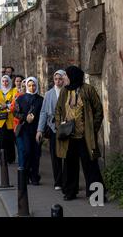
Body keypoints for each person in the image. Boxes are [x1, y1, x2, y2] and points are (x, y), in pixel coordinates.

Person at [55, 65, 105, 201]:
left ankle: (96, 195)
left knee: (90, 166)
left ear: (73, 76)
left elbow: (98, 110)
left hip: (85, 137)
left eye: (66, 75)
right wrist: (60, 125)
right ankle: (70, 192)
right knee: (70, 166)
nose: (64, 78)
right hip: (69, 136)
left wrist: (92, 129)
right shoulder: (64, 92)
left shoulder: (88, 90)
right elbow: (58, 110)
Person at [36, 70, 66, 191]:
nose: (58, 81)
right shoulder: (49, 94)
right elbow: (43, 112)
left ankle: (68, 180)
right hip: (54, 128)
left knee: (68, 155)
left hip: (67, 127)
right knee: (55, 156)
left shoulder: (68, 91)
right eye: (56, 79)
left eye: (60, 79)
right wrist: (40, 130)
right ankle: (58, 181)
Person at [14, 77, 44, 184]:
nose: (32, 87)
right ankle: (25, 176)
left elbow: (43, 113)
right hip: (25, 129)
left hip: (36, 129)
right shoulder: (21, 99)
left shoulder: (41, 100)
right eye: (30, 85)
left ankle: (34, 176)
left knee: (36, 154)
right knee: (26, 152)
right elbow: (15, 113)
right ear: (27, 86)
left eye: (34, 85)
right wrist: (25, 117)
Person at [0, 75, 17, 164]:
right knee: (2, 140)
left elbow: (14, 103)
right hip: (1, 119)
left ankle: (11, 158)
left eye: (6, 81)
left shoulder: (13, 91)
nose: (5, 83)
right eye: (3, 81)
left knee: (10, 139)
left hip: (11, 119)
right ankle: (2, 158)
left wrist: (6, 106)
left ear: (9, 82)